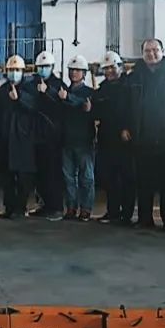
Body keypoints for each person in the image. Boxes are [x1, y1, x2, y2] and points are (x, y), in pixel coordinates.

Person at [122, 38, 165, 232]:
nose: (151, 54)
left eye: (155, 50)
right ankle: (145, 219)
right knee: (144, 182)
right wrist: (126, 127)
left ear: (162, 50)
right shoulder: (134, 75)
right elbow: (126, 105)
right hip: (142, 137)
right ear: (142, 53)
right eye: (147, 51)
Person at [0, 55, 40, 220]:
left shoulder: (30, 89)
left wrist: (20, 98)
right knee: (6, 178)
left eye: (17, 70)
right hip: (5, 140)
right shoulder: (2, 91)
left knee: (23, 177)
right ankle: (9, 207)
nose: (14, 73)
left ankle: (20, 208)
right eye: (11, 70)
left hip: (24, 141)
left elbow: (35, 106)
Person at [92, 51, 135, 226]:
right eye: (106, 68)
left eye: (112, 67)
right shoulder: (103, 88)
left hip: (124, 139)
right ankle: (113, 212)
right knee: (110, 178)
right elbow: (96, 111)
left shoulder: (129, 86)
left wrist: (128, 128)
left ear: (120, 67)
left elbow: (133, 110)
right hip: (107, 138)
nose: (109, 71)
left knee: (126, 178)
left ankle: (127, 215)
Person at [29, 50, 65, 222]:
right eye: (41, 66)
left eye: (46, 66)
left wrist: (47, 92)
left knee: (53, 174)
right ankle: (44, 205)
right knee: (40, 174)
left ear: (52, 67)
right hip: (36, 136)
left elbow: (61, 106)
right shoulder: (32, 84)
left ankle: (56, 207)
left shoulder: (58, 85)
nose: (43, 69)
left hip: (53, 137)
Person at [58, 55, 95, 222]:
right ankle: (71, 208)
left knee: (86, 178)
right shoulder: (63, 91)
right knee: (68, 178)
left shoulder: (89, 93)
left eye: (78, 70)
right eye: (72, 70)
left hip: (84, 142)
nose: (74, 73)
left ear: (84, 73)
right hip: (66, 141)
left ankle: (86, 209)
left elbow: (85, 105)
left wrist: (69, 98)